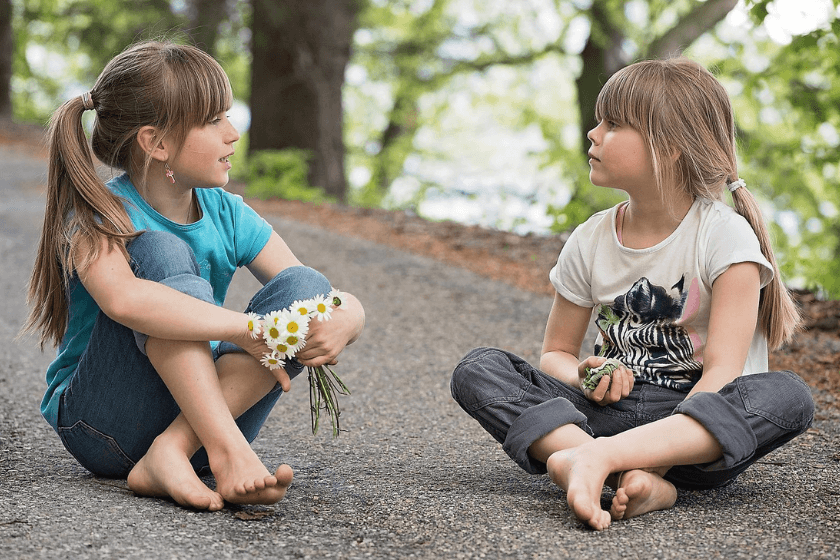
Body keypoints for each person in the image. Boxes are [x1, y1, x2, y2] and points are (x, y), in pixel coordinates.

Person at [450, 57, 814, 530]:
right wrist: (586, 375)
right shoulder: (591, 237)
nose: (593, 133)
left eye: (614, 124)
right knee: (479, 369)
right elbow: (556, 353)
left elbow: (722, 374)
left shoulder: (725, 238)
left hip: (692, 436)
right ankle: (600, 465)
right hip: (602, 414)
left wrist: (652, 462)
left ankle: (587, 462)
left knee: (788, 396)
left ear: (672, 148)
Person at [22, 41, 365, 511]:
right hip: (105, 425)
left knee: (306, 287)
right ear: (156, 142)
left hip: (200, 422)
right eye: (213, 120)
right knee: (160, 250)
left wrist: (350, 316)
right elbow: (124, 302)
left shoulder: (226, 212)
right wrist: (246, 329)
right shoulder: (98, 214)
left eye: (228, 115)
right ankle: (224, 450)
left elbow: (309, 290)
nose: (233, 134)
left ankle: (174, 450)